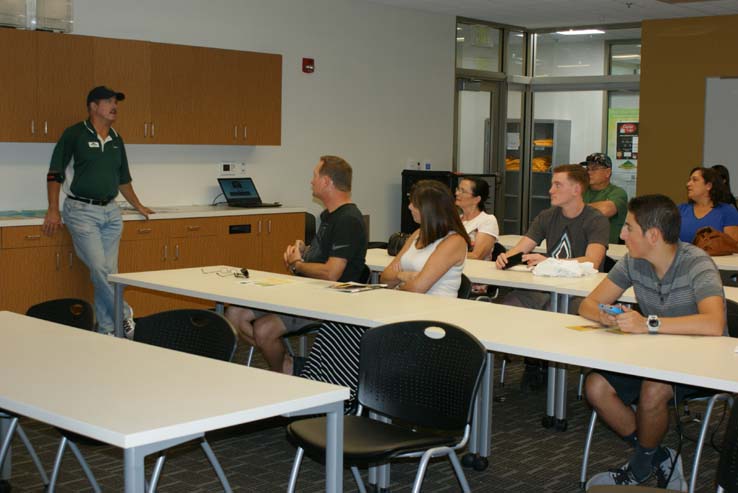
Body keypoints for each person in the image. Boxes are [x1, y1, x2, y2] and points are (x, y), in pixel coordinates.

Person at [580, 194, 725, 490]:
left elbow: (714, 323)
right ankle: (657, 457)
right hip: (654, 356)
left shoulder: (696, 263)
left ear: (653, 235)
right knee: (595, 386)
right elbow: (588, 305)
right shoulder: (634, 262)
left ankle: (640, 465)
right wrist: (606, 316)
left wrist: (648, 324)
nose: (621, 234)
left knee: (654, 387)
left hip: (705, 363)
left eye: (629, 228)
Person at [298, 180, 470, 411]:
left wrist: (405, 277)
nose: (409, 207)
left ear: (429, 208)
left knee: (357, 336)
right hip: (404, 308)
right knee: (336, 326)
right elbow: (387, 276)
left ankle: (348, 400)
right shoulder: (418, 234)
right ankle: (328, 394)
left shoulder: (454, 241)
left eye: (414, 203)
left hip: (433, 319)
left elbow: (419, 287)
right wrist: (407, 277)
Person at [225, 155, 367, 373]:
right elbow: (326, 256)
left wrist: (297, 264)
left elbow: (331, 273)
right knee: (235, 314)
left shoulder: (348, 219)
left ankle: (284, 372)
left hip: (328, 299)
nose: (311, 181)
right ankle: (288, 363)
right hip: (305, 291)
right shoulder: (331, 216)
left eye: (315, 176)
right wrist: (306, 251)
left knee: (264, 330)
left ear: (327, 182)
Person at [42, 86, 152, 336]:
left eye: (116, 102)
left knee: (107, 273)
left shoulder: (116, 138)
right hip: (81, 211)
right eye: (108, 101)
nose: (114, 106)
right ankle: (123, 314)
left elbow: (123, 179)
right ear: (93, 106)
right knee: (100, 270)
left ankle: (107, 331)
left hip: (111, 213)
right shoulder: (75, 134)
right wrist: (52, 210)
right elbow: (54, 173)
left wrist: (138, 205)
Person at [496, 164, 609, 310]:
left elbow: (592, 261)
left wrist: (551, 262)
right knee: (511, 302)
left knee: (555, 308)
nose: (551, 191)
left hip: (580, 292)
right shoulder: (547, 216)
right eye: (552, 185)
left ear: (576, 189)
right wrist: (505, 258)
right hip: (547, 287)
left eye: (558, 185)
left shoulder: (596, 220)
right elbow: (521, 249)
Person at [678, 166, 738, 244]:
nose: (688, 184)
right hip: (684, 256)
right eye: (689, 180)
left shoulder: (728, 212)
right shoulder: (680, 210)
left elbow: (733, 246)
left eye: (694, 180)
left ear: (708, 186)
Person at [581, 153, 628, 244]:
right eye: (587, 169)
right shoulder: (580, 190)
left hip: (609, 250)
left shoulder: (618, 193)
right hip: (580, 245)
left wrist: (575, 208)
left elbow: (605, 210)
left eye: (594, 169)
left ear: (608, 172)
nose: (589, 172)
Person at [455, 177, 499, 260]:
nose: (457, 193)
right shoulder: (455, 219)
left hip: (475, 270)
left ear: (476, 199)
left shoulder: (487, 220)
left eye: (462, 191)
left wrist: (445, 256)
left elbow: (477, 255)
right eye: (457, 189)